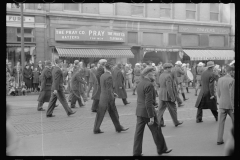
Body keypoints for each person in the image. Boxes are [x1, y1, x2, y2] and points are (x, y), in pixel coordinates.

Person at [133, 66, 172, 156]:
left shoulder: (140, 83)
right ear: (148, 74)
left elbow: (142, 98)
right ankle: (161, 149)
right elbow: (148, 102)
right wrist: (151, 116)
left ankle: (136, 152)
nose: (154, 75)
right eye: (153, 73)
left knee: (138, 133)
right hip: (148, 111)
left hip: (139, 111)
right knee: (156, 130)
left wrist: (154, 103)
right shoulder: (149, 84)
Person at [93, 61, 129, 134]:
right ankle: (118, 127)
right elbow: (109, 89)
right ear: (111, 68)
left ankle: (96, 128)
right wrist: (112, 95)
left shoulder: (102, 75)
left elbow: (104, 87)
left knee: (100, 114)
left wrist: (113, 93)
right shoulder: (109, 76)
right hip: (108, 98)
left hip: (103, 96)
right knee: (114, 113)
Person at [157, 63, 183, 127]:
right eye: (170, 68)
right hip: (167, 95)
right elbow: (169, 88)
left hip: (161, 94)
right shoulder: (168, 76)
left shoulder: (161, 74)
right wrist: (172, 97)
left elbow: (159, 83)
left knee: (160, 110)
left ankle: (158, 122)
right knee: (173, 109)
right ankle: (176, 121)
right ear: (167, 68)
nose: (171, 69)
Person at [216, 65, 234, 145]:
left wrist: (221, 99)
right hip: (230, 105)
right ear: (230, 71)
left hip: (222, 103)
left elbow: (218, 92)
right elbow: (232, 94)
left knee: (221, 123)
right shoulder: (232, 80)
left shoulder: (220, 80)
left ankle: (219, 140)